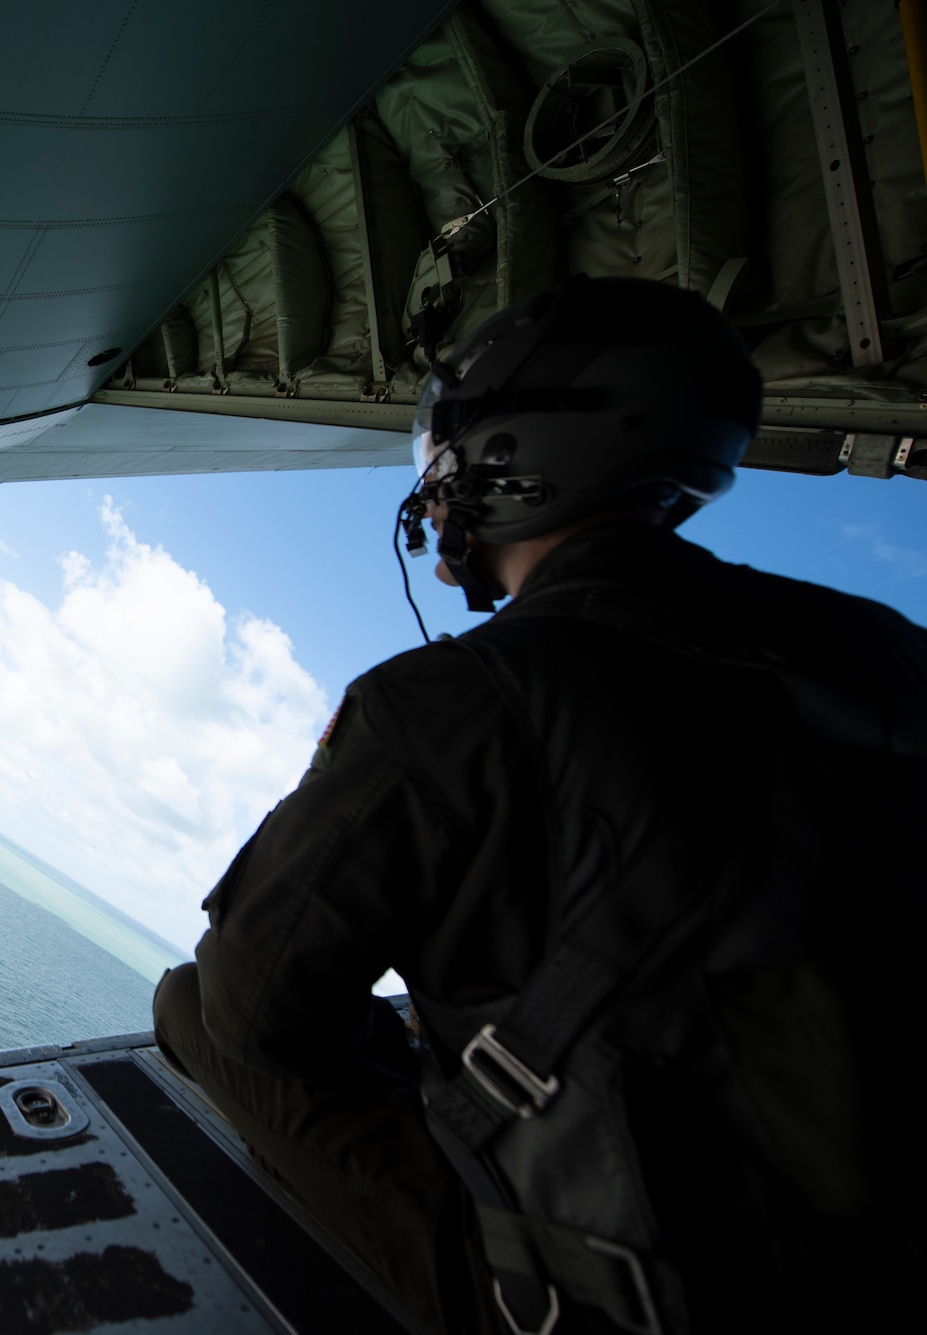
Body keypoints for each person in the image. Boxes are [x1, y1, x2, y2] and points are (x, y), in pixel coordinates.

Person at [152, 276, 927, 1334]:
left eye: (442, 457)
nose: (429, 493)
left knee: (193, 1007)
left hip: (644, 1305)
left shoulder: (450, 700)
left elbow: (254, 1004)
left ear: (508, 463)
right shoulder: (881, 650)